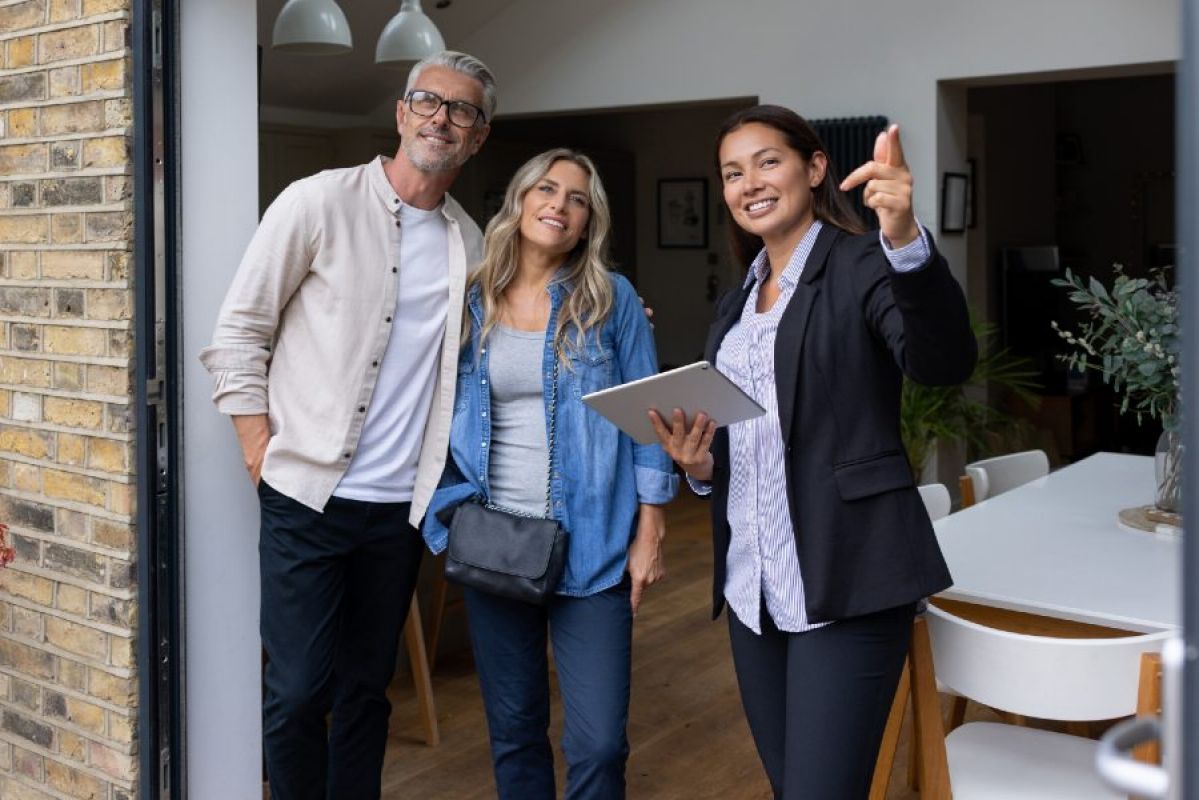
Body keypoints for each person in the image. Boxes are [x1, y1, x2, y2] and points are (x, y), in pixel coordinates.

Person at [649, 105, 977, 800]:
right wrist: (702, 467)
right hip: (752, 589)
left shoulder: (863, 261)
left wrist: (905, 240)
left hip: (847, 578)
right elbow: (753, 438)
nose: (749, 184)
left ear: (815, 167)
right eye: (732, 173)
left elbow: (942, 362)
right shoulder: (736, 301)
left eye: (767, 162)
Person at [199, 51, 496, 800]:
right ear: (401, 113)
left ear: (478, 137)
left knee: (366, 690)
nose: (441, 118)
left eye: (461, 110)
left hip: (400, 509)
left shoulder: (474, 244)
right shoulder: (317, 202)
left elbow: (515, 337)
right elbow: (238, 334)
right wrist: (258, 450)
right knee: (298, 690)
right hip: (305, 496)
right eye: (428, 101)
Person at [423, 148, 679, 799]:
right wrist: (445, 515)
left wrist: (650, 529)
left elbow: (647, 418)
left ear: (589, 221)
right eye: (546, 189)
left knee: (597, 745)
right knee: (513, 730)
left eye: (576, 198)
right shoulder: (469, 298)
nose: (558, 205)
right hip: (495, 542)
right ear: (518, 199)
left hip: (593, 545)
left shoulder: (611, 299)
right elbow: (424, 402)